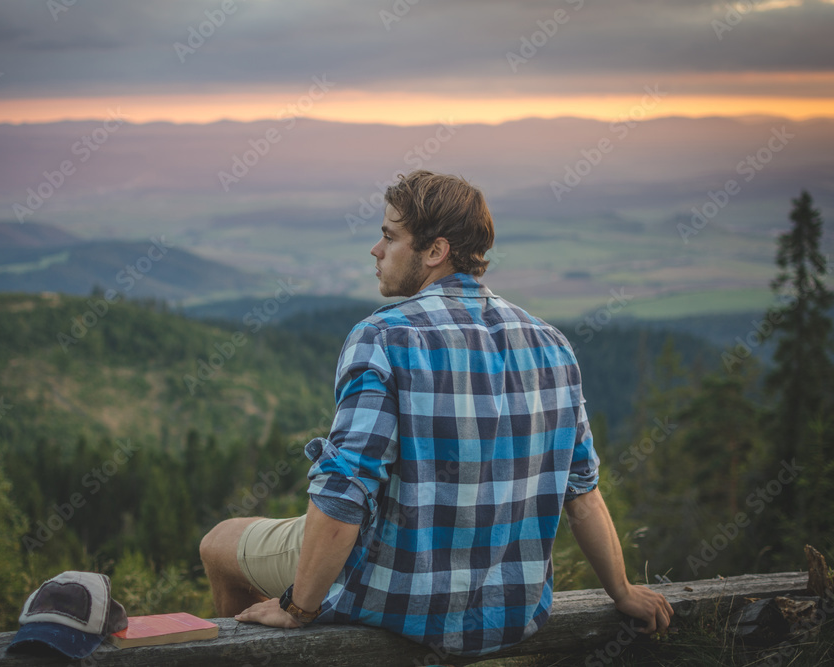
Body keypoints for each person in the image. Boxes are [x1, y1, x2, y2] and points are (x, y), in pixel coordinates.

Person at [199, 170, 673, 657]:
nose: (375, 250)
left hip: (396, 599)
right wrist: (622, 591)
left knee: (219, 541)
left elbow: (344, 493)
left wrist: (298, 607)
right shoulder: (552, 344)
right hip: (511, 612)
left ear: (434, 251)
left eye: (388, 235)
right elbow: (583, 494)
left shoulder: (383, 336)